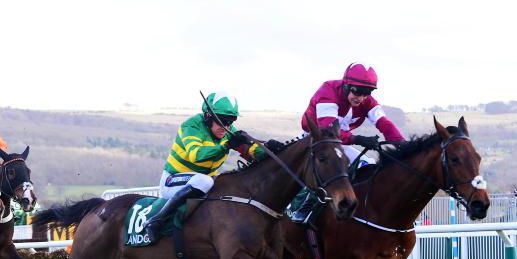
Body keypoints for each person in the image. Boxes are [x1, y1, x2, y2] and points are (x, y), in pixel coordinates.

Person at [290, 62, 405, 225]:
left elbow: (384, 124)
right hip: (314, 140)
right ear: (346, 85)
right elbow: (328, 130)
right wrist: (358, 139)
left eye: (367, 93)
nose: (361, 97)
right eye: (357, 91)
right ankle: (302, 207)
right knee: (328, 167)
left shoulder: (368, 102)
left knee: (367, 164)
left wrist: (402, 145)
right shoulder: (328, 91)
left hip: (338, 144)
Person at [143, 92, 267, 243]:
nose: (226, 127)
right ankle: (156, 220)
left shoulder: (228, 130)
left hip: (201, 182)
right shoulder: (191, 126)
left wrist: (269, 148)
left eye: (230, 121)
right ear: (208, 116)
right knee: (205, 181)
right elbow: (196, 155)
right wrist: (226, 145)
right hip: (173, 182)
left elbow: (250, 149)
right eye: (222, 121)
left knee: (227, 183)